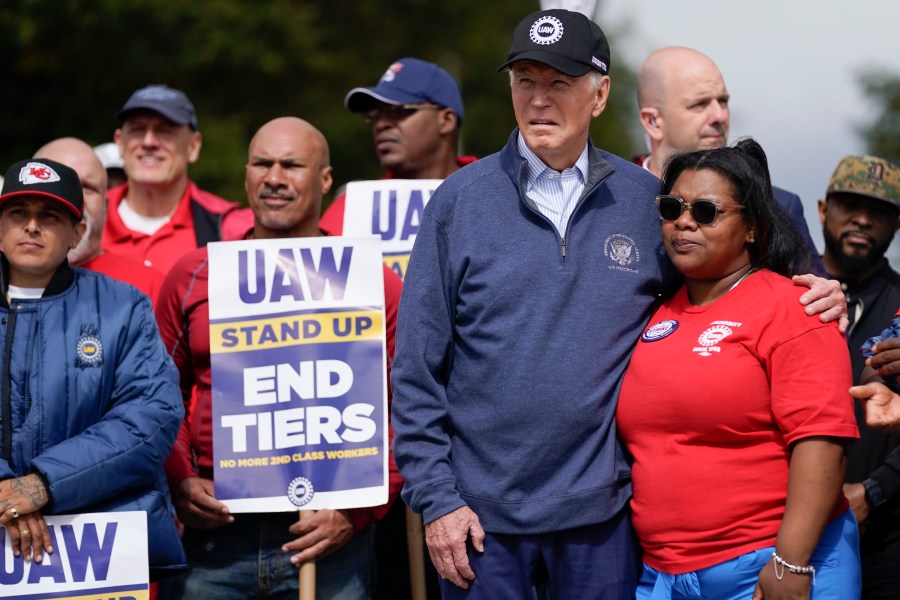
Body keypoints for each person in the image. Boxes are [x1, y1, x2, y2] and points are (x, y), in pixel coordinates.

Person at [391, 10, 846, 599]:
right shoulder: (456, 203)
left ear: (600, 94)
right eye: (525, 80)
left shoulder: (649, 202)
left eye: (559, 82)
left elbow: (731, 283)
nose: (539, 100)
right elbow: (415, 370)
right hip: (478, 523)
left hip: (605, 520)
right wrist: (438, 499)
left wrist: (813, 289)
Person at [155, 117, 403, 599]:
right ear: (245, 174)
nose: (274, 177)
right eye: (261, 163)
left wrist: (359, 513)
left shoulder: (376, 282)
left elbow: (410, 407)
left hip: (330, 541)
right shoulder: (193, 274)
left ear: (325, 180)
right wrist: (179, 477)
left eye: (291, 165)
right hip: (216, 541)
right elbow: (157, 392)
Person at [617, 139, 860, 599]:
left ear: (751, 227)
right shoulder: (657, 313)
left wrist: (791, 562)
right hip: (665, 575)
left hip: (772, 566)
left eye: (706, 211)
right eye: (672, 208)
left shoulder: (795, 307)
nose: (684, 221)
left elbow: (822, 441)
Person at [0, 157, 185, 577]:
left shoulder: (124, 306)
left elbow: (152, 417)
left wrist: (43, 486)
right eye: (17, 213)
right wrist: (7, 497)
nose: (32, 226)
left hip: (96, 550)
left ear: (77, 233)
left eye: (49, 215)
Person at [635, 46, 822, 267]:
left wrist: (823, 293)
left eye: (723, 101)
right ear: (653, 122)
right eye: (699, 104)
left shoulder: (776, 204)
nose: (719, 116)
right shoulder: (610, 199)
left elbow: (810, 295)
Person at [816, 153, 900, 599]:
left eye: (880, 211)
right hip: (784, 527)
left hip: (887, 538)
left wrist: (877, 490)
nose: (863, 219)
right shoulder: (785, 291)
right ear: (822, 209)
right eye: (850, 204)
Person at [104, 84, 252, 274]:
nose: (149, 142)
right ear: (120, 143)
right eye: (137, 129)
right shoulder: (85, 219)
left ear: (193, 146)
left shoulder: (228, 228)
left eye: (165, 130)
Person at [319, 57, 475, 235]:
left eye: (398, 111)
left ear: (446, 120)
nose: (380, 124)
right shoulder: (356, 207)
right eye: (375, 115)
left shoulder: (496, 190)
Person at [34, 137, 164, 303]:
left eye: (87, 187)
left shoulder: (147, 286)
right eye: (57, 182)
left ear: (106, 206)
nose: (75, 197)